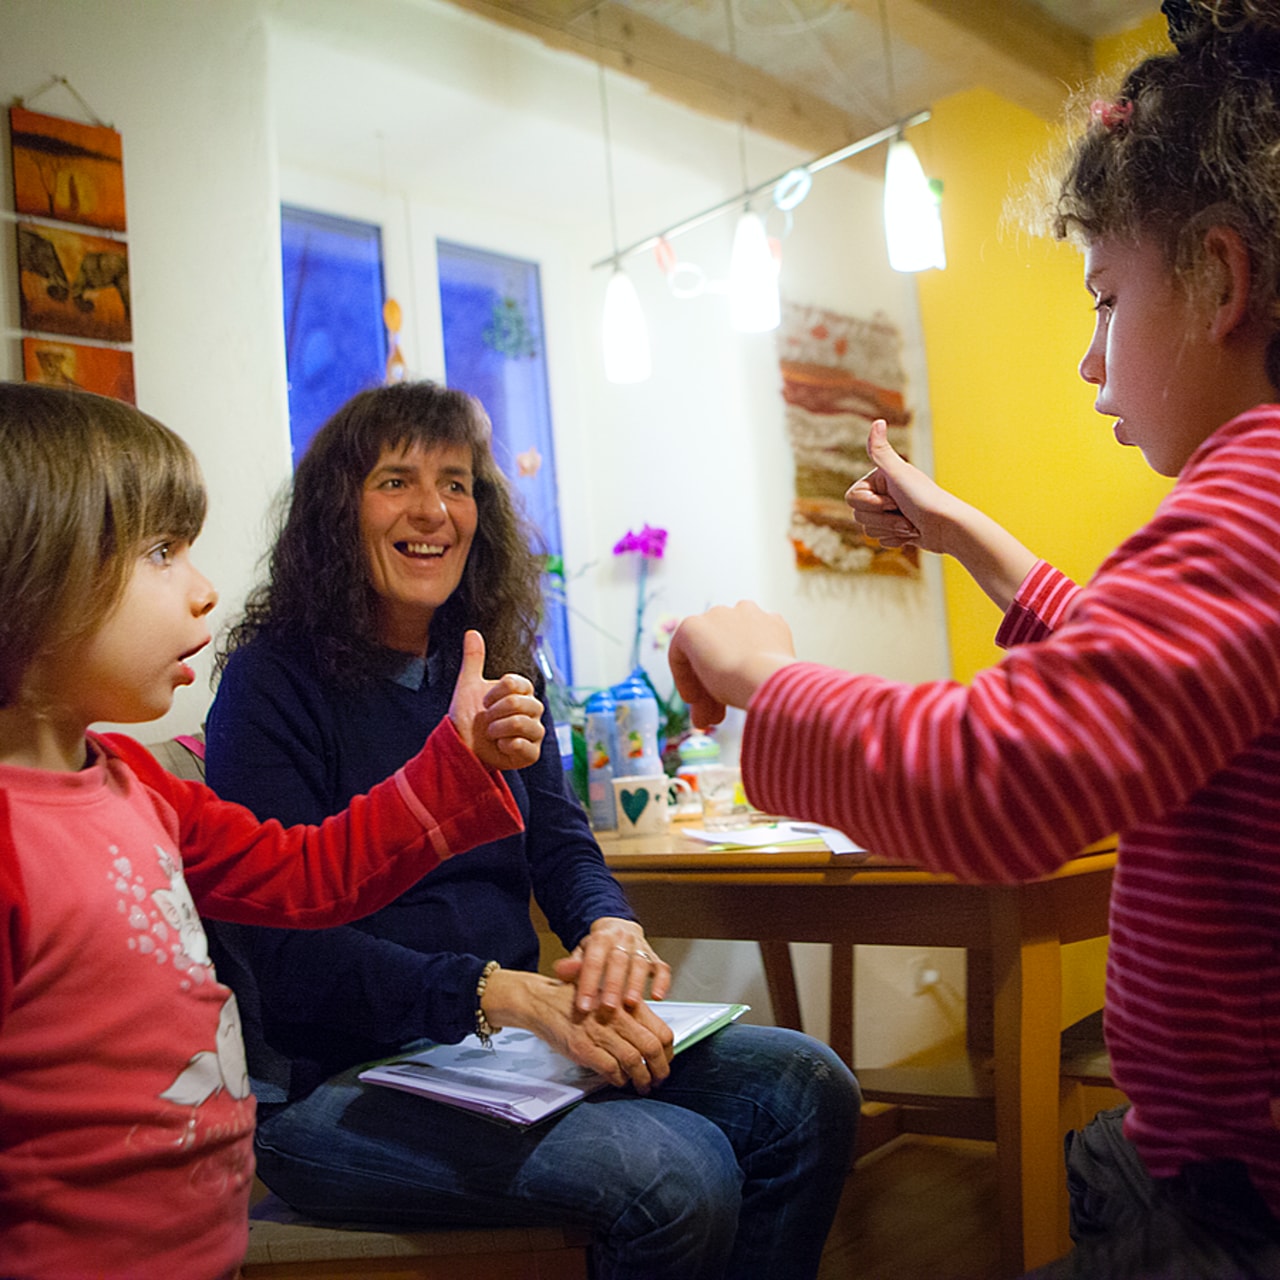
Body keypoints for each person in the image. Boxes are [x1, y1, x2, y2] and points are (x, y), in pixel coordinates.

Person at [669, 3, 1280, 1276]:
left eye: (1106, 300)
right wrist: (971, 538)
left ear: (1219, 279)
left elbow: (995, 778)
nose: (1088, 361)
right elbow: (1156, 679)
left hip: (1241, 1200)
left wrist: (765, 677)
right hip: (1198, 1149)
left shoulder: (1252, 494)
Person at [203, 379, 859, 1280]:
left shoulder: (495, 666)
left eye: (458, 483)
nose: (434, 508)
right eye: (396, 480)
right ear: (335, 512)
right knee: (680, 1171)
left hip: (501, 1047)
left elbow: (558, 842)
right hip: (339, 1082)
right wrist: (499, 995)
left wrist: (608, 926)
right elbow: (291, 963)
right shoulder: (270, 682)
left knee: (807, 1087)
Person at [0, 382, 546, 1279]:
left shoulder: (141, 789)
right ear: (32, 576)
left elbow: (309, 876)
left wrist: (455, 760)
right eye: (162, 552)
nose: (204, 589)